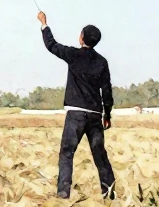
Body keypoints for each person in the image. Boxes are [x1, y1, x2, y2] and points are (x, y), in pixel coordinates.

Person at [37, 10, 116, 199]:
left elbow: (51, 45)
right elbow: (107, 90)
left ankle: (63, 193)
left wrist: (44, 24)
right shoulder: (102, 62)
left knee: (67, 153)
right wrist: (107, 114)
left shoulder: (73, 55)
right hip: (96, 115)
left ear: (81, 38)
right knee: (100, 155)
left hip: (76, 114)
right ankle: (110, 194)